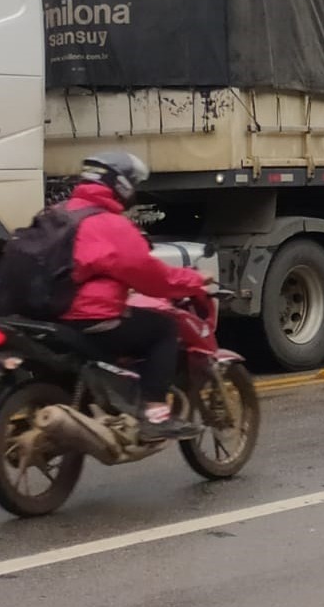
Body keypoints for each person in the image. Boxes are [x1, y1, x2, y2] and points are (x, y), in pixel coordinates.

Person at [59, 152, 211, 440]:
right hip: (88, 319)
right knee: (164, 328)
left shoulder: (57, 213)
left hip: (44, 316)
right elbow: (154, 279)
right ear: (122, 185)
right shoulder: (110, 225)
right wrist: (194, 281)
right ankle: (154, 413)